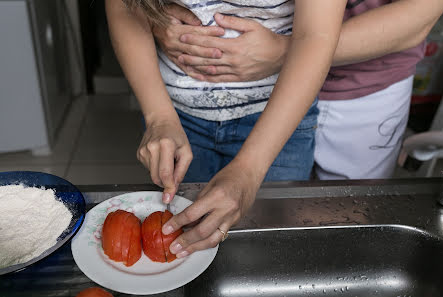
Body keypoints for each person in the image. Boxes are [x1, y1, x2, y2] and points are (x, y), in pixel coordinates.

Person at [105, 0, 347, 257]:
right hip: (176, 118)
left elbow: (315, 36)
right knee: (186, 253)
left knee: (269, 254)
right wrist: (158, 116)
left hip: (278, 125)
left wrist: (250, 169)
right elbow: (123, 5)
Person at [153, 0, 443, 179]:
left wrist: (285, 51)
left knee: (344, 220)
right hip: (251, 86)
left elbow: (421, 14)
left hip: (366, 89)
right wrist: (158, 15)